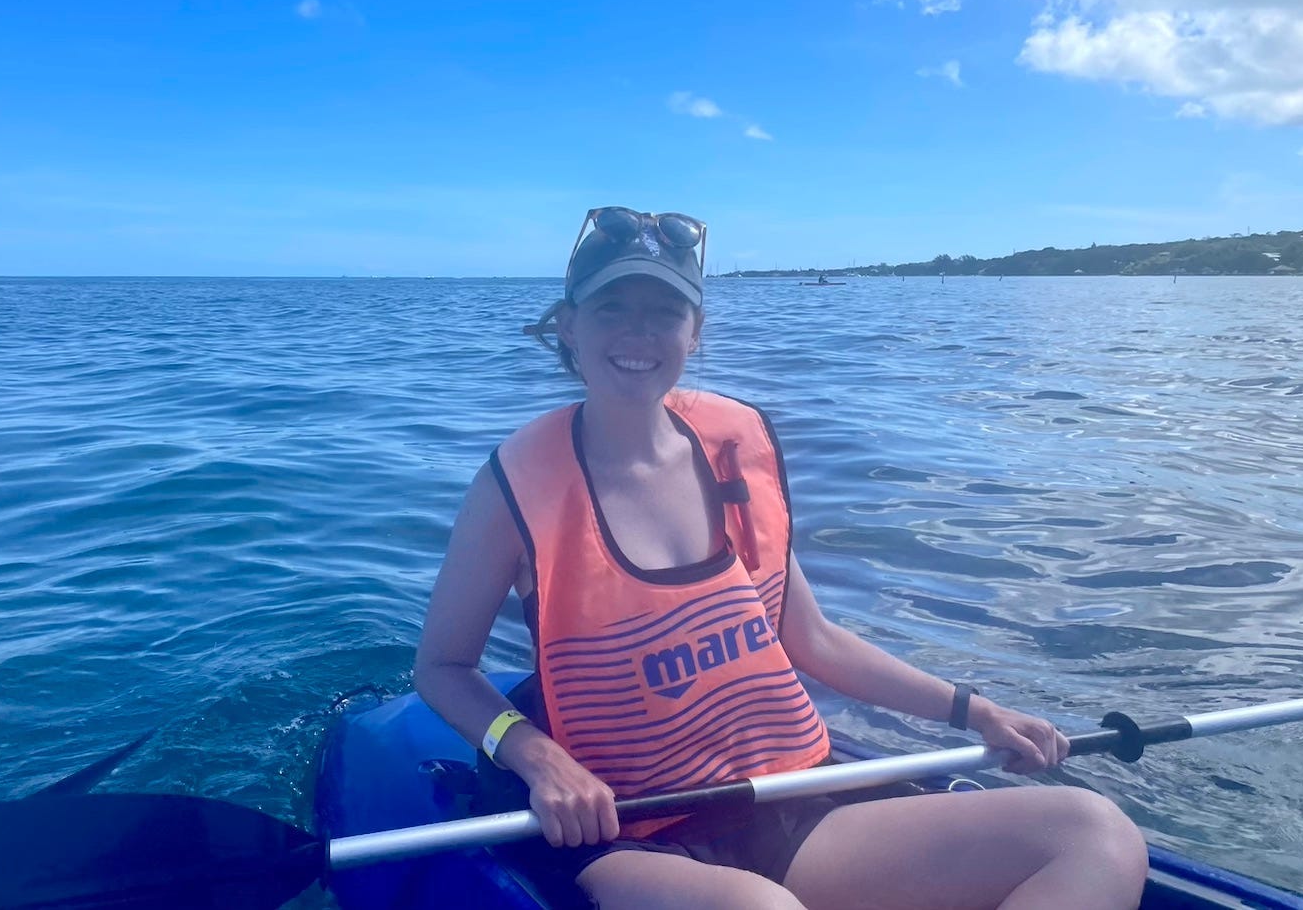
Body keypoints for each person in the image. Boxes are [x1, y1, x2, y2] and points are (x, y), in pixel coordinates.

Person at [415, 205, 1148, 910]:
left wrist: (976, 711)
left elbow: (812, 640)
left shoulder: (735, 454)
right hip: (631, 830)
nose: (638, 332)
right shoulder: (512, 486)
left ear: (695, 332)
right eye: (612, 308)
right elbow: (443, 666)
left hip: (787, 798)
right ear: (569, 326)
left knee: (1094, 835)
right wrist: (537, 757)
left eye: (664, 312)